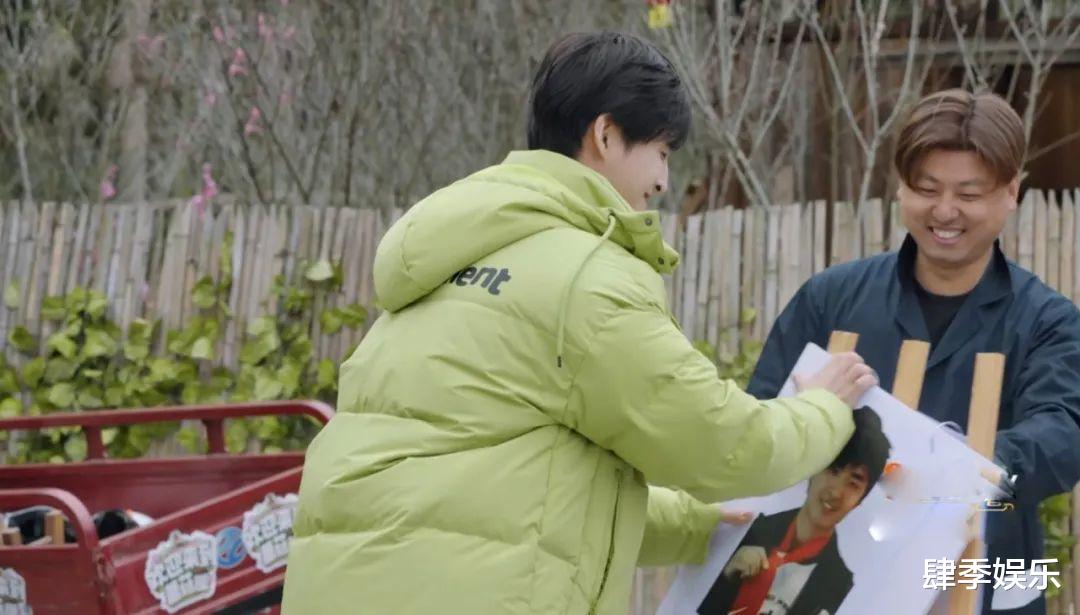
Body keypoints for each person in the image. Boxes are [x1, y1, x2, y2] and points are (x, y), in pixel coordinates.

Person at [281, 31, 877, 615]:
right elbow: (724, 445)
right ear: (606, 133)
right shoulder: (586, 276)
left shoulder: (452, 257)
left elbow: (501, 496)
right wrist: (823, 408)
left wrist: (696, 528)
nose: (665, 181)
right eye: (662, 152)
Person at [748, 89, 1080, 614]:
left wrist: (962, 468)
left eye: (969, 194)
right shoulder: (831, 298)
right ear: (901, 187)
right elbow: (760, 416)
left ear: (1012, 191)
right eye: (926, 188)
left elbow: (1065, 434)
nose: (944, 211)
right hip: (837, 579)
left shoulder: (1047, 320)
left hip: (990, 579)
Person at [698, 408, 891, 615]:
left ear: (860, 500)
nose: (835, 492)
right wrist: (725, 577)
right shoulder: (745, 526)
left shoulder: (839, 583)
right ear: (814, 467)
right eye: (833, 470)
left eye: (853, 483)